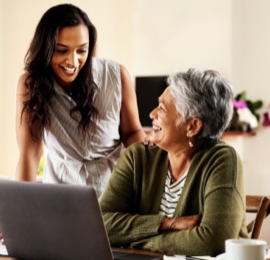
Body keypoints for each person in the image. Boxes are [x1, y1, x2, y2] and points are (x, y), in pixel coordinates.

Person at [99, 68, 248, 257]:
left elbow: (213, 241)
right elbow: (101, 225)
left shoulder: (223, 160)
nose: (152, 114)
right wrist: (168, 223)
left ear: (192, 126)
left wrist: (137, 242)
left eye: (162, 108)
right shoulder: (138, 156)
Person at [14, 3, 145, 197]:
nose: (73, 62)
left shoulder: (118, 76)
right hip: (60, 198)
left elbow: (133, 133)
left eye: (81, 51)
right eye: (61, 50)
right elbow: (30, 154)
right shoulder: (30, 85)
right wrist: (20, 214)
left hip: (114, 197)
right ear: (46, 48)